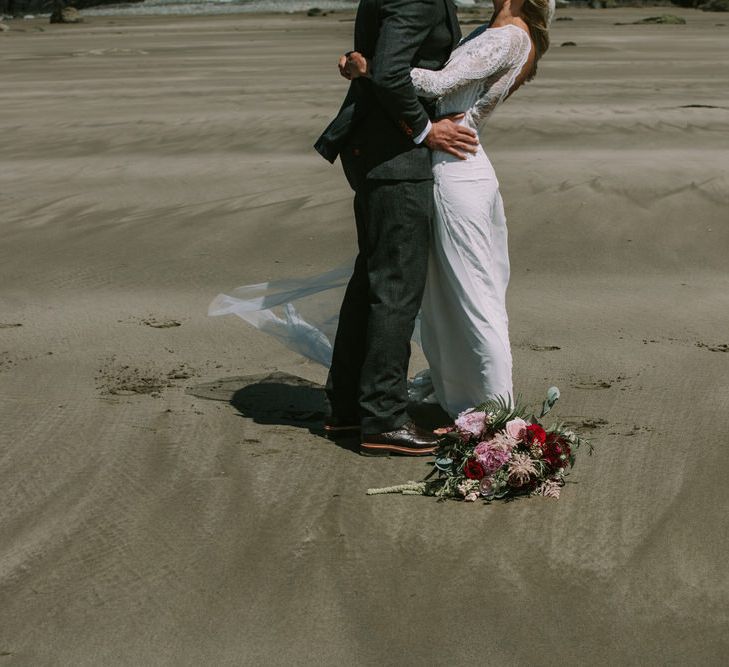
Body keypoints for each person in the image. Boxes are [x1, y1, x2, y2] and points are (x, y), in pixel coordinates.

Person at [341, 0, 554, 418]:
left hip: (458, 167)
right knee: (446, 296)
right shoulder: (487, 32)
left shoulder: (509, 36)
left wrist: (371, 70)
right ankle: (459, 393)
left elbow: (441, 84)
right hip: (455, 162)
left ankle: (496, 409)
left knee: (475, 293)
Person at [314, 0, 480, 456]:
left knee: (371, 278)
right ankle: (384, 417)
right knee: (396, 285)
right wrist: (426, 131)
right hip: (394, 157)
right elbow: (389, 72)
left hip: (375, 151)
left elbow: (379, 60)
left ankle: (347, 408)